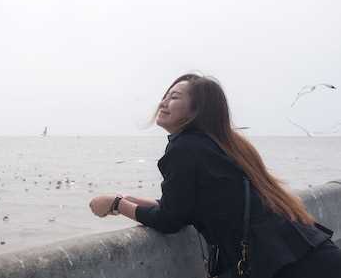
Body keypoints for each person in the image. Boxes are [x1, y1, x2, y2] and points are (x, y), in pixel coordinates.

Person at [89, 73, 341, 278]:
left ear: (195, 111)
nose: (163, 102)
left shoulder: (184, 148)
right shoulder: (222, 145)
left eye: (174, 97)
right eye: (165, 95)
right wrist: (128, 198)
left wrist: (116, 205)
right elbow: (186, 205)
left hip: (287, 265)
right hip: (308, 253)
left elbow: (170, 219)